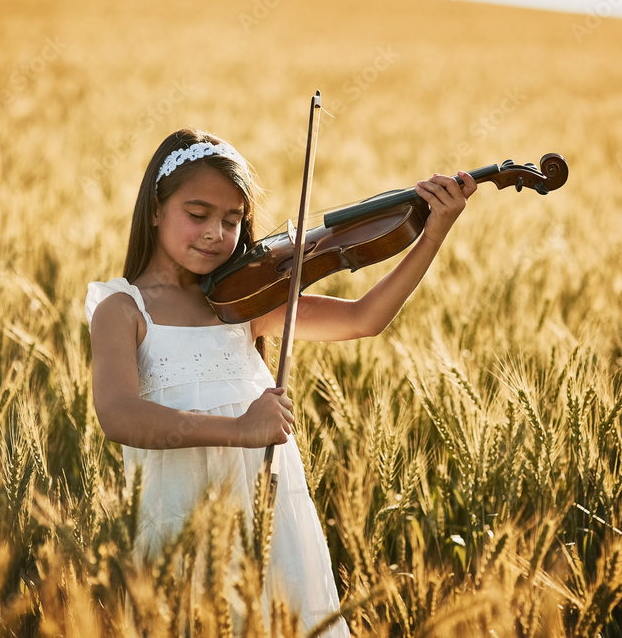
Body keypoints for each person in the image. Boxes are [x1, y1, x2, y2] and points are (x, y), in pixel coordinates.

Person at [84, 127, 477, 634]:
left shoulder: (241, 303)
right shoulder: (122, 308)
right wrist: (239, 430)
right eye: (197, 214)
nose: (215, 234)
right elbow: (118, 415)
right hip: (181, 520)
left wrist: (434, 232)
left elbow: (363, 318)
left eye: (232, 220)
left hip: (269, 521)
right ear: (155, 209)